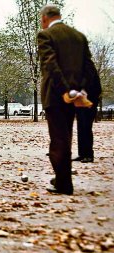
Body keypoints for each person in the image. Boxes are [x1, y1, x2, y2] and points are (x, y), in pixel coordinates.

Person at [38, 4, 98, 195]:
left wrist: (65, 90)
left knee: (58, 139)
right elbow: (88, 67)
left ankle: (64, 183)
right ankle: (63, 178)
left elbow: (50, 65)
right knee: (67, 137)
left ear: (45, 18)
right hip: (76, 95)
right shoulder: (78, 36)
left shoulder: (45, 35)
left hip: (56, 94)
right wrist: (80, 90)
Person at [73, 71, 102, 163]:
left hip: (89, 104)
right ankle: (82, 154)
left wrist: (86, 92)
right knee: (81, 128)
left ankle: (89, 155)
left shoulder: (91, 73)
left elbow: (97, 90)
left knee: (86, 128)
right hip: (80, 104)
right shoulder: (80, 73)